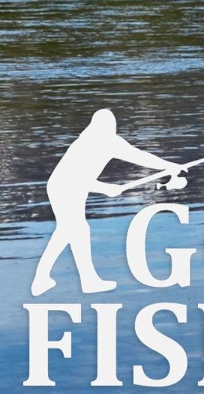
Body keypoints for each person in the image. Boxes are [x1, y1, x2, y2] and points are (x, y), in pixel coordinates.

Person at [32, 108, 184, 296]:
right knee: (76, 231)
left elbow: (139, 156)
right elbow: (75, 177)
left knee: (68, 231)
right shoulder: (88, 144)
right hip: (64, 186)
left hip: (72, 186)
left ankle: (46, 279)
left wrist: (168, 166)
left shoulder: (110, 141)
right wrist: (105, 188)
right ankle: (82, 280)